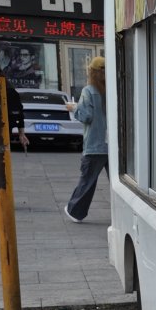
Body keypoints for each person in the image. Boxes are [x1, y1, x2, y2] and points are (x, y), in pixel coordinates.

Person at [64, 56, 108, 223]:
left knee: (87, 180)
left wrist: (73, 107)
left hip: (95, 144)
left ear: (92, 72)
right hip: (113, 146)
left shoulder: (89, 91)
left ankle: (75, 211)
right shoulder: (113, 89)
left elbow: (87, 116)